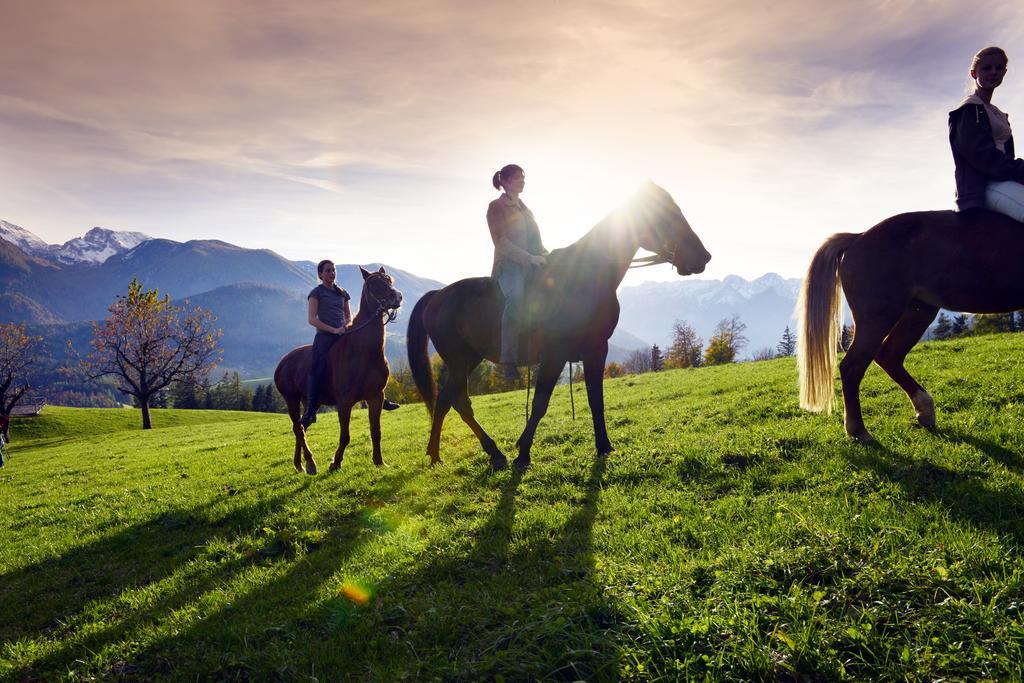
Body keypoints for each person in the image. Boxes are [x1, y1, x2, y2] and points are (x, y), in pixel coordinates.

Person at [299, 260, 397, 429]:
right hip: (325, 337)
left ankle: (377, 392)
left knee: (368, 358)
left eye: (333, 270)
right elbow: (312, 319)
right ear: (320, 274)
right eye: (328, 271)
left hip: (344, 333)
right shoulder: (316, 293)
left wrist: (345, 326)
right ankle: (310, 411)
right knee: (316, 367)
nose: (332, 273)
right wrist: (333, 330)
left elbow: (348, 316)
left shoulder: (342, 292)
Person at [487, 164, 548, 380]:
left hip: (533, 263)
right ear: (504, 181)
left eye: (523, 177)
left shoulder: (525, 209)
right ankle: (509, 360)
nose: (522, 181)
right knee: (517, 298)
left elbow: (536, 242)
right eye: (517, 178)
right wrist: (528, 258)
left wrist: (548, 256)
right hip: (509, 268)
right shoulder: (496, 207)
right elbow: (501, 242)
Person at [949, 46, 1024, 221]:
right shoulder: (968, 109)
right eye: (986, 68)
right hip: (984, 185)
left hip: (1004, 181)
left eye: (999, 68)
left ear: (1004, 72)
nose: (993, 72)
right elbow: (983, 157)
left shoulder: (997, 113)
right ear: (974, 74)